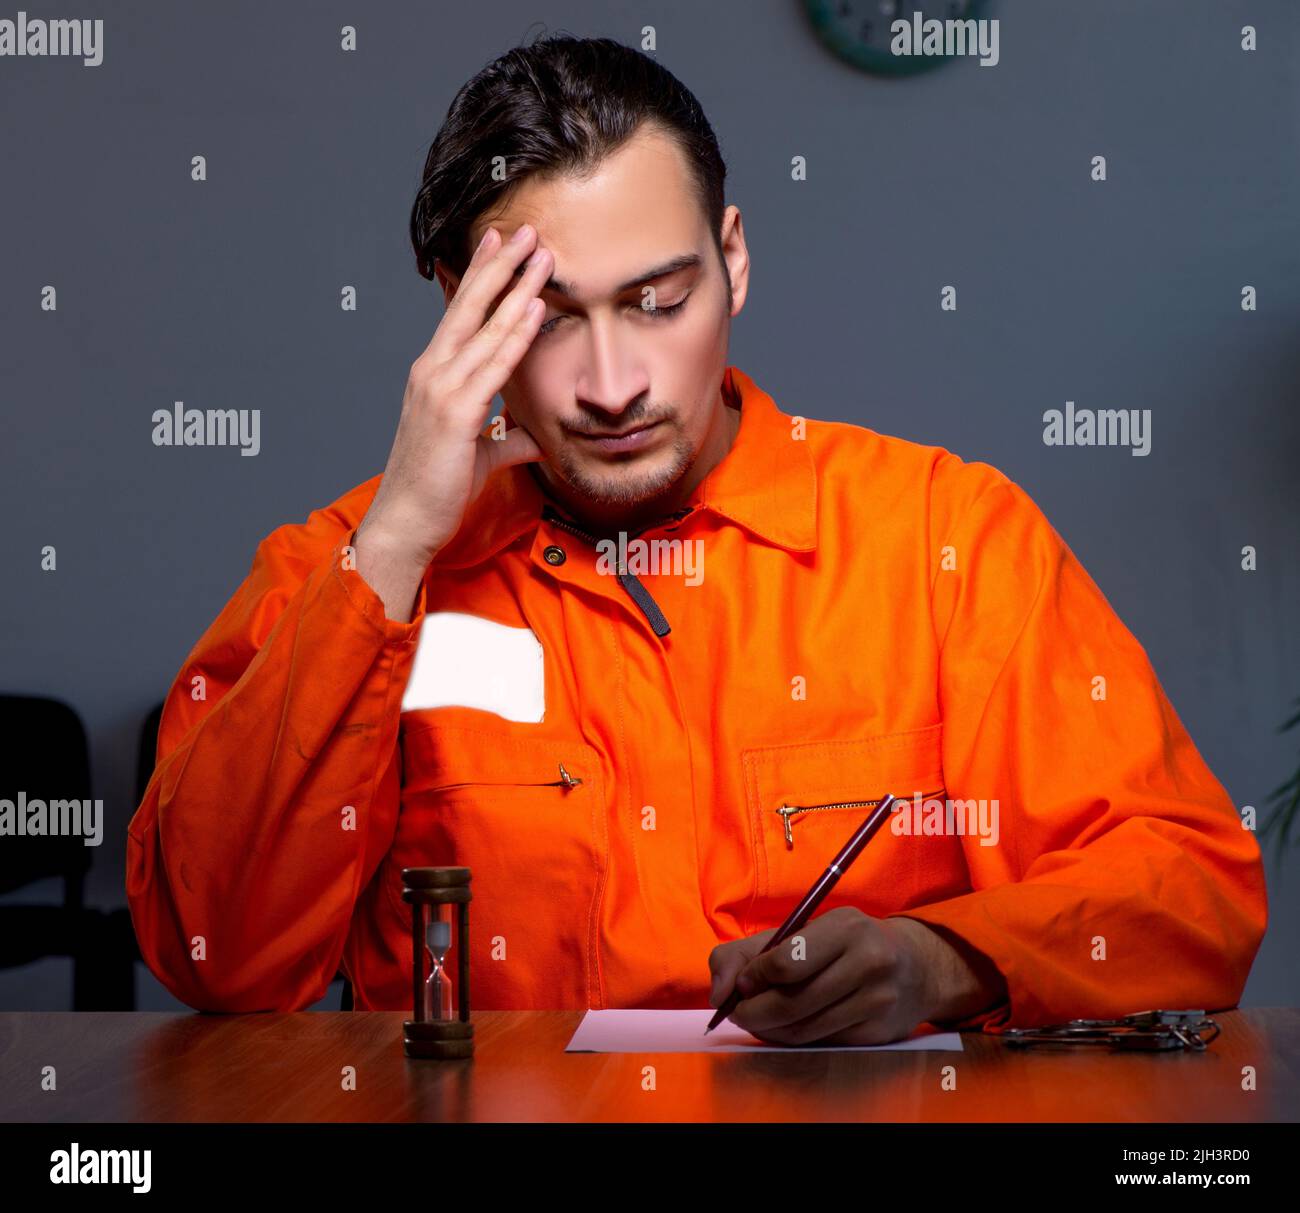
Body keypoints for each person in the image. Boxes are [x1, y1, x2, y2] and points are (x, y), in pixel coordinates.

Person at [126, 34, 1267, 1045]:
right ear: (454, 308)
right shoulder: (346, 566)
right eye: (547, 319)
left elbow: (1190, 894)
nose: (611, 386)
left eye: (659, 302)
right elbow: (215, 960)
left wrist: (946, 963)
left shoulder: (945, 539)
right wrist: (393, 554)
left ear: (733, 260)